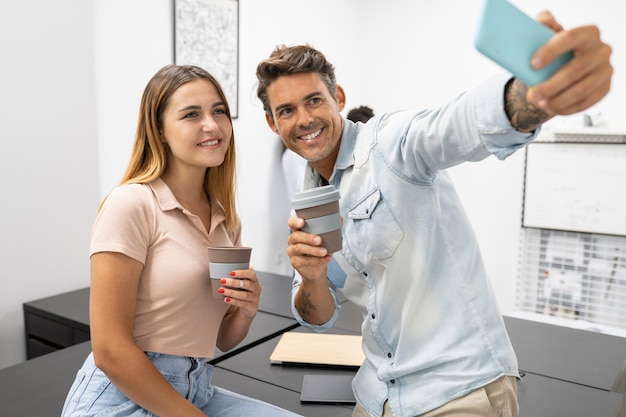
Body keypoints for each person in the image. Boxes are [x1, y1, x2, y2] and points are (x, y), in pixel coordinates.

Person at [255, 10, 612, 417]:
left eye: (314, 100)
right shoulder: (310, 199)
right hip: (376, 395)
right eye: (286, 111)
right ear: (271, 122)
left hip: (459, 390)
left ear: (338, 99)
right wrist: (313, 278)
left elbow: (457, 125)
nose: (304, 119)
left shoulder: (390, 144)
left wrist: (535, 95)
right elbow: (317, 317)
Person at [61, 65, 301, 417]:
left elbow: (220, 338)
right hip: (121, 396)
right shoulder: (132, 204)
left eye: (219, 111)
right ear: (159, 131)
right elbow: (110, 350)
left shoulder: (225, 220)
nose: (212, 125)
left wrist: (246, 311)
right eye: (191, 114)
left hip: (197, 388)